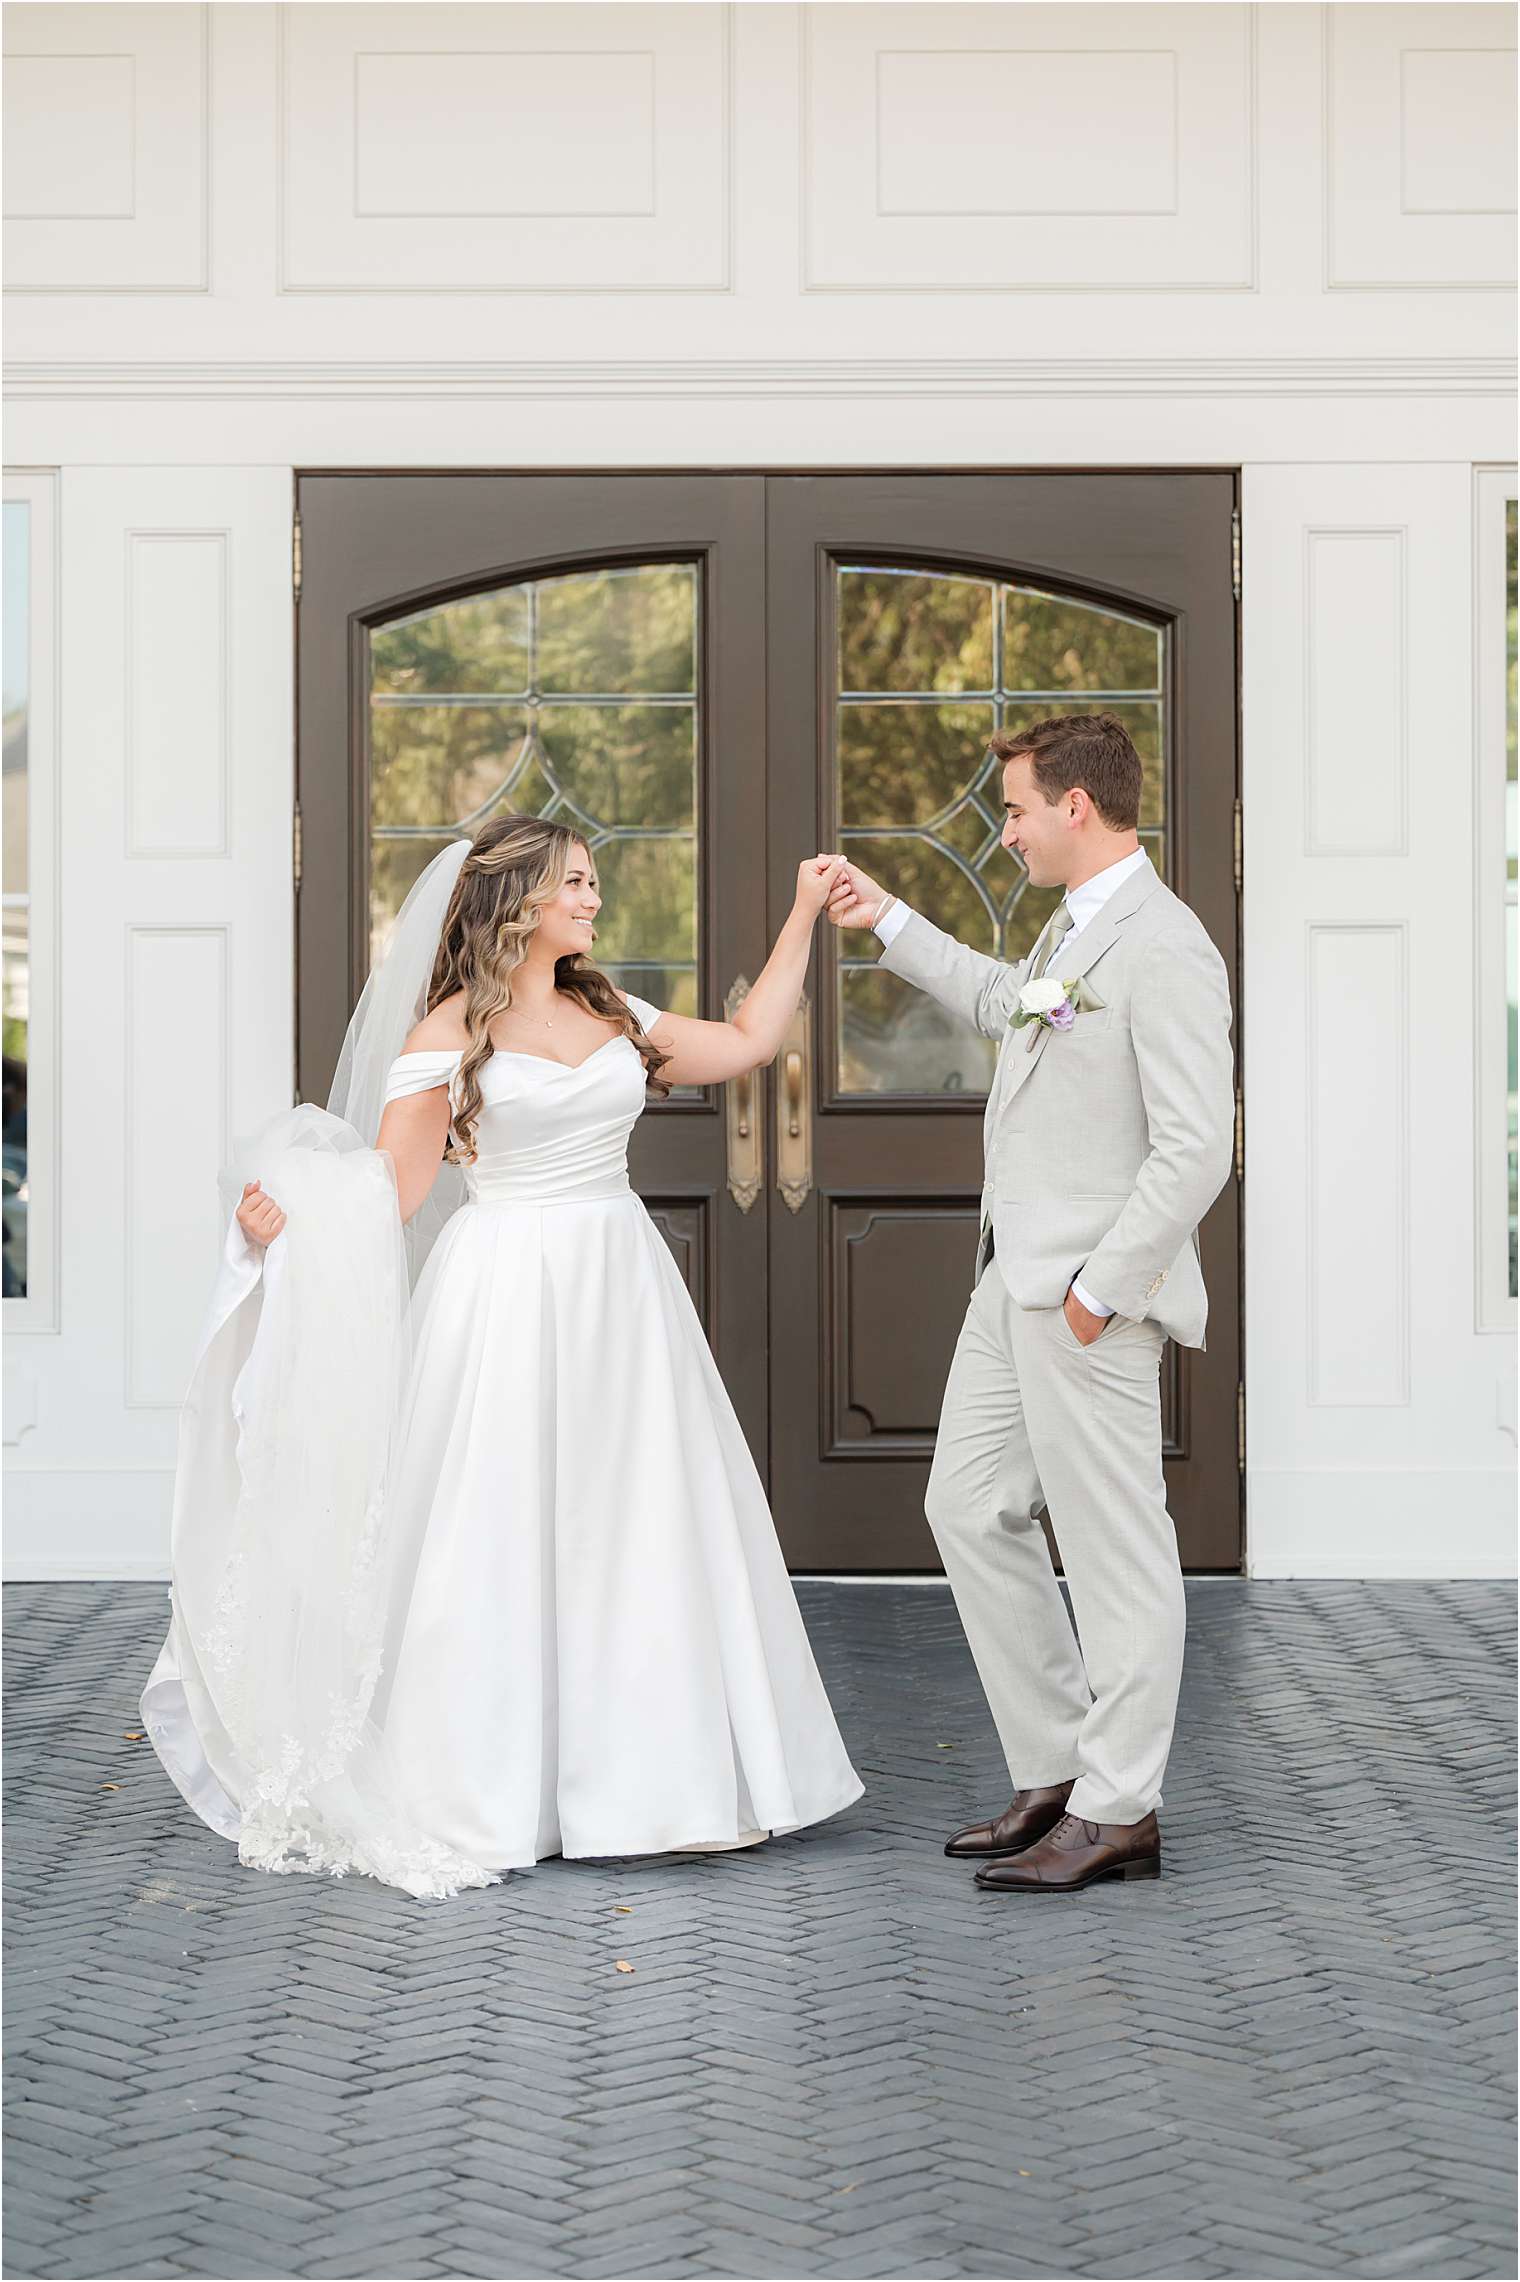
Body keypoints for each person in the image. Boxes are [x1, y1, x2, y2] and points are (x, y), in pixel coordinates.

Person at [142, 814, 863, 1899]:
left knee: (635, 1520)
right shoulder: (445, 1032)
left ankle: (651, 1782)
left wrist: (806, 910)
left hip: (619, 1286)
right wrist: (274, 1229)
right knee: (500, 1525)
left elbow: (750, 1040)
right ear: (518, 900)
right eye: (575, 882)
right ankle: (490, 1784)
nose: (593, 898)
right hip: (504, 1291)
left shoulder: (610, 1010)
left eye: (591, 881)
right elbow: (385, 1194)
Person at [826, 713, 1234, 1894]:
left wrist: (1100, 1296)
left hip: (1084, 1297)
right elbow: (1011, 1000)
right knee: (964, 1504)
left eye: (1012, 809)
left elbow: (1196, 1144)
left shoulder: (1164, 945)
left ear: (1075, 806)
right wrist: (885, 919)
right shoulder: (1070, 928)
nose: (1000, 831)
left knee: (1116, 1556)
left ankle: (1118, 1809)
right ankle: (1056, 1763)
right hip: (1010, 1280)